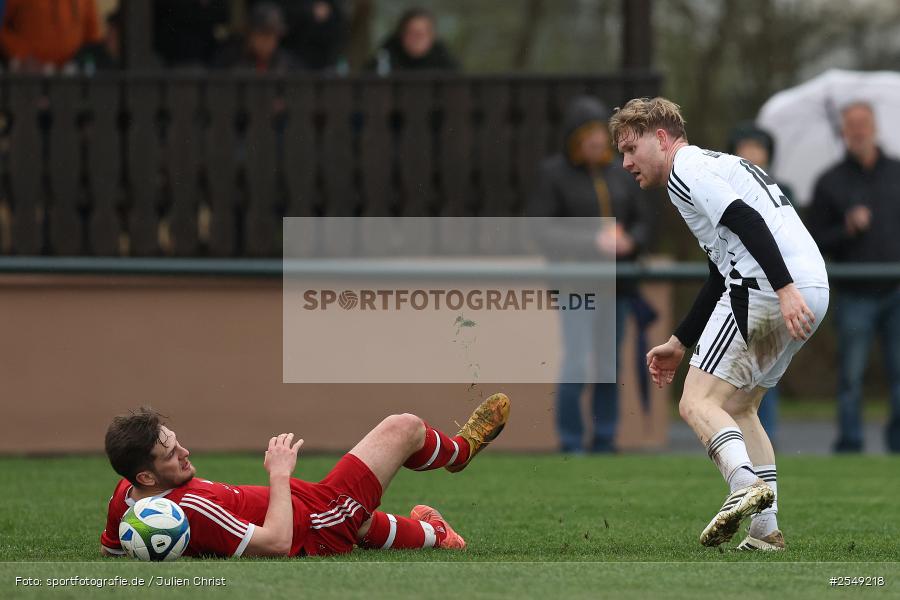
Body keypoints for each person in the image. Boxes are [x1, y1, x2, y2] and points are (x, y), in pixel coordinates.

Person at [609, 97, 829, 550]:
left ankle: (742, 484)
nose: (626, 162)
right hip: (811, 287)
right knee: (739, 407)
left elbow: (746, 221)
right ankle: (766, 531)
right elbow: (720, 271)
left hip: (772, 286)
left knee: (694, 403)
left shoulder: (686, 169)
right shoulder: (710, 166)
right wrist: (678, 341)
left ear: (663, 138)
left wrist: (783, 289)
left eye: (631, 148)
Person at [100, 394, 509, 558]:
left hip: (309, 505)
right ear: (147, 477)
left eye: (177, 442)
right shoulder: (191, 509)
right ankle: (460, 453)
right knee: (402, 427)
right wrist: (279, 474)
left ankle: (436, 535)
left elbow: (112, 553)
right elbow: (277, 543)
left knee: (362, 518)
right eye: (171, 455)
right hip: (316, 524)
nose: (185, 453)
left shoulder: (126, 497)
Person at [527, 95, 653, 454]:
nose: (597, 141)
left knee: (609, 365)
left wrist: (632, 240)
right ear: (574, 139)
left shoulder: (621, 172)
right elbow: (542, 230)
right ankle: (570, 441)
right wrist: (592, 240)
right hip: (575, 285)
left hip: (617, 286)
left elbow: (645, 220)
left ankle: (605, 439)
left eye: (601, 134)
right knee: (579, 362)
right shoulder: (553, 174)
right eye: (589, 134)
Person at [806, 102, 900, 454]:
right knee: (850, 378)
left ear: (874, 128)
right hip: (854, 294)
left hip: (896, 291)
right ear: (843, 132)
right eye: (851, 126)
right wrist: (845, 228)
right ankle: (850, 444)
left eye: (864, 124)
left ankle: (897, 447)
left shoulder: (896, 172)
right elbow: (812, 241)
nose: (858, 131)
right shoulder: (829, 182)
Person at [725, 123, 796, 444]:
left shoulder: (783, 193)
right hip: (738, 288)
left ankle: (763, 438)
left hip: (775, 292)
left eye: (759, 147)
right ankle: (730, 438)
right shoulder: (723, 190)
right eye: (746, 146)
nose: (753, 153)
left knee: (763, 372)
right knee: (729, 369)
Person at [0, 0, 101, 72]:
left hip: (71, 78)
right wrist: (22, 55)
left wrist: (78, 62)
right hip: (28, 76)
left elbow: (92, 38)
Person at [212, 2, 301, 73]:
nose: (269, 42)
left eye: (273, 35)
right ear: (251, 34)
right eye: (264, 35)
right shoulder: (230, 62)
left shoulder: (288, 65)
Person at [365, 7, 458, 74]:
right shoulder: (384, 58)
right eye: (412, 33)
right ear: (402, 35)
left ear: (432, 36)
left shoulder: (445, 62)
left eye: (421, 34)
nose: (417, 39)